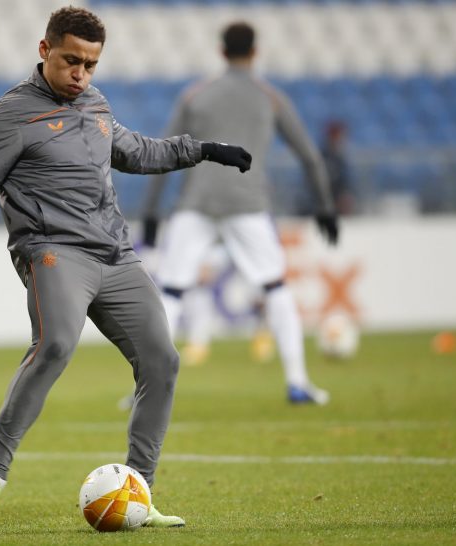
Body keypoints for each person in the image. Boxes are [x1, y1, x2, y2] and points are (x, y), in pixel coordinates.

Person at [0, 6, 251, 526]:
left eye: (90, 65)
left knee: (162, 360)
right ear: (44, 51)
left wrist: (205, 149)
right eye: (71, 61)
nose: (80, 74)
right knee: (56, 343)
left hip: (116, 254)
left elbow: (137, 151)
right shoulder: (9, 117)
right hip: (53, 253)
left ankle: (139, 493)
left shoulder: (95, 104)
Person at [142, 22, 338, 406]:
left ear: (220, 51)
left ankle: (144, 391)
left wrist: (150, 212)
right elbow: (310, 157)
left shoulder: (196, 95)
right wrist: (325, 206)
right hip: (248, 205)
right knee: (275, 288)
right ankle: (297, 382)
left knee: (172, 292)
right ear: (255, 51)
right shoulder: (271, 97)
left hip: (195, 203)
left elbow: (160, 153)